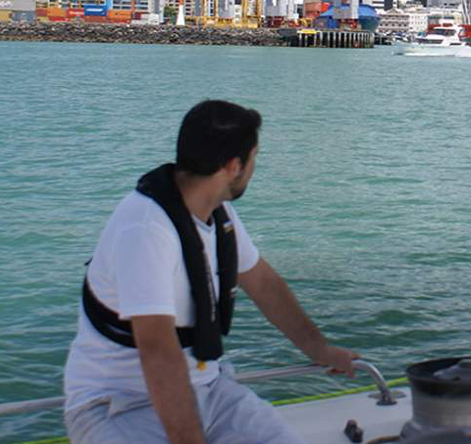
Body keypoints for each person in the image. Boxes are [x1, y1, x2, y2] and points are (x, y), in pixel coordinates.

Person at [63, 100, 359, 444]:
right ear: (235, 166)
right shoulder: (146, 229)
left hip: (210, 389)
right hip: (119, 405)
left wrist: (320, 349)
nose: (254, 167)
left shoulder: (217, 214)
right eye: (255, 157)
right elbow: (158, 351)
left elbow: (264, 284)